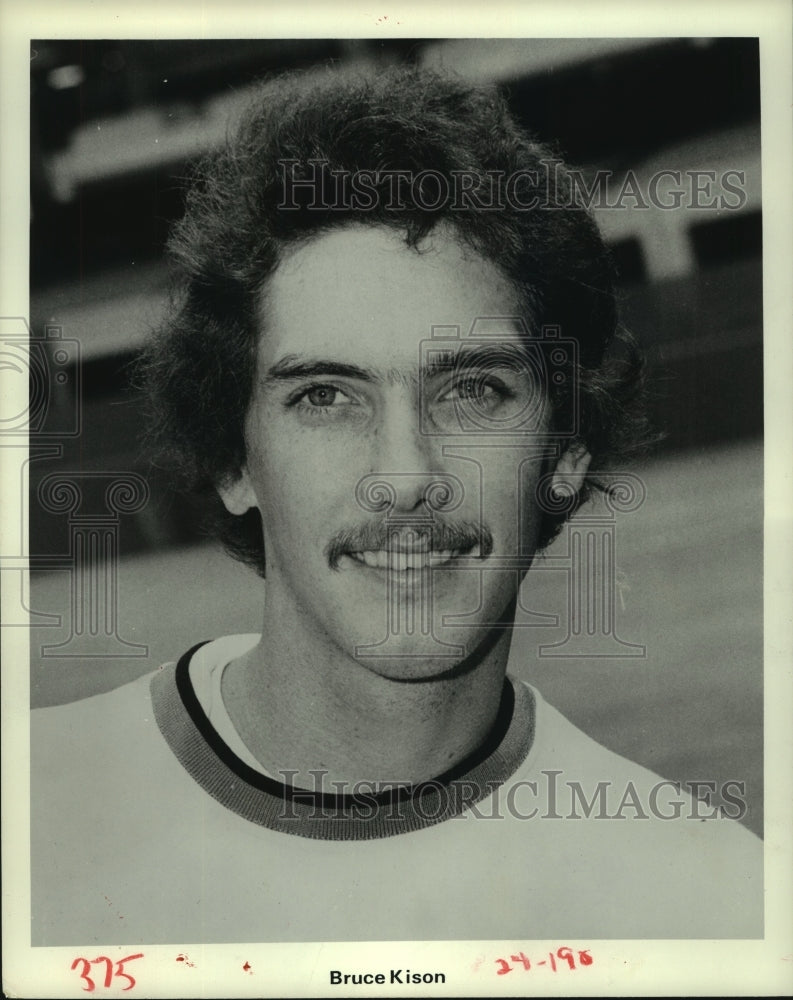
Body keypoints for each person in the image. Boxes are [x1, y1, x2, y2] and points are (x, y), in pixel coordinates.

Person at [31, 65, 762, 945]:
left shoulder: (710, 907)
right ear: (234, 462)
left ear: (563, 455)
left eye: (473, 393)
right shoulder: (30, 812)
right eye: (326, 398)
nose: (405, 475)